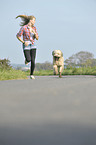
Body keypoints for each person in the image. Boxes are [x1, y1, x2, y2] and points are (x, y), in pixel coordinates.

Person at [16, 15, 39, 79]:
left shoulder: (34, 28)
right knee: (29, 59)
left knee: (33, 61)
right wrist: (23, 42)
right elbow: (18, 36)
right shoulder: (24, 28)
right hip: (26, 44)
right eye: (34, 20)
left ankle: (31, 74)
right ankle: (26, 60)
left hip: (33, 44)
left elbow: (37, 38)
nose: (34, 21)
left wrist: (34, 33)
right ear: (30, 20)